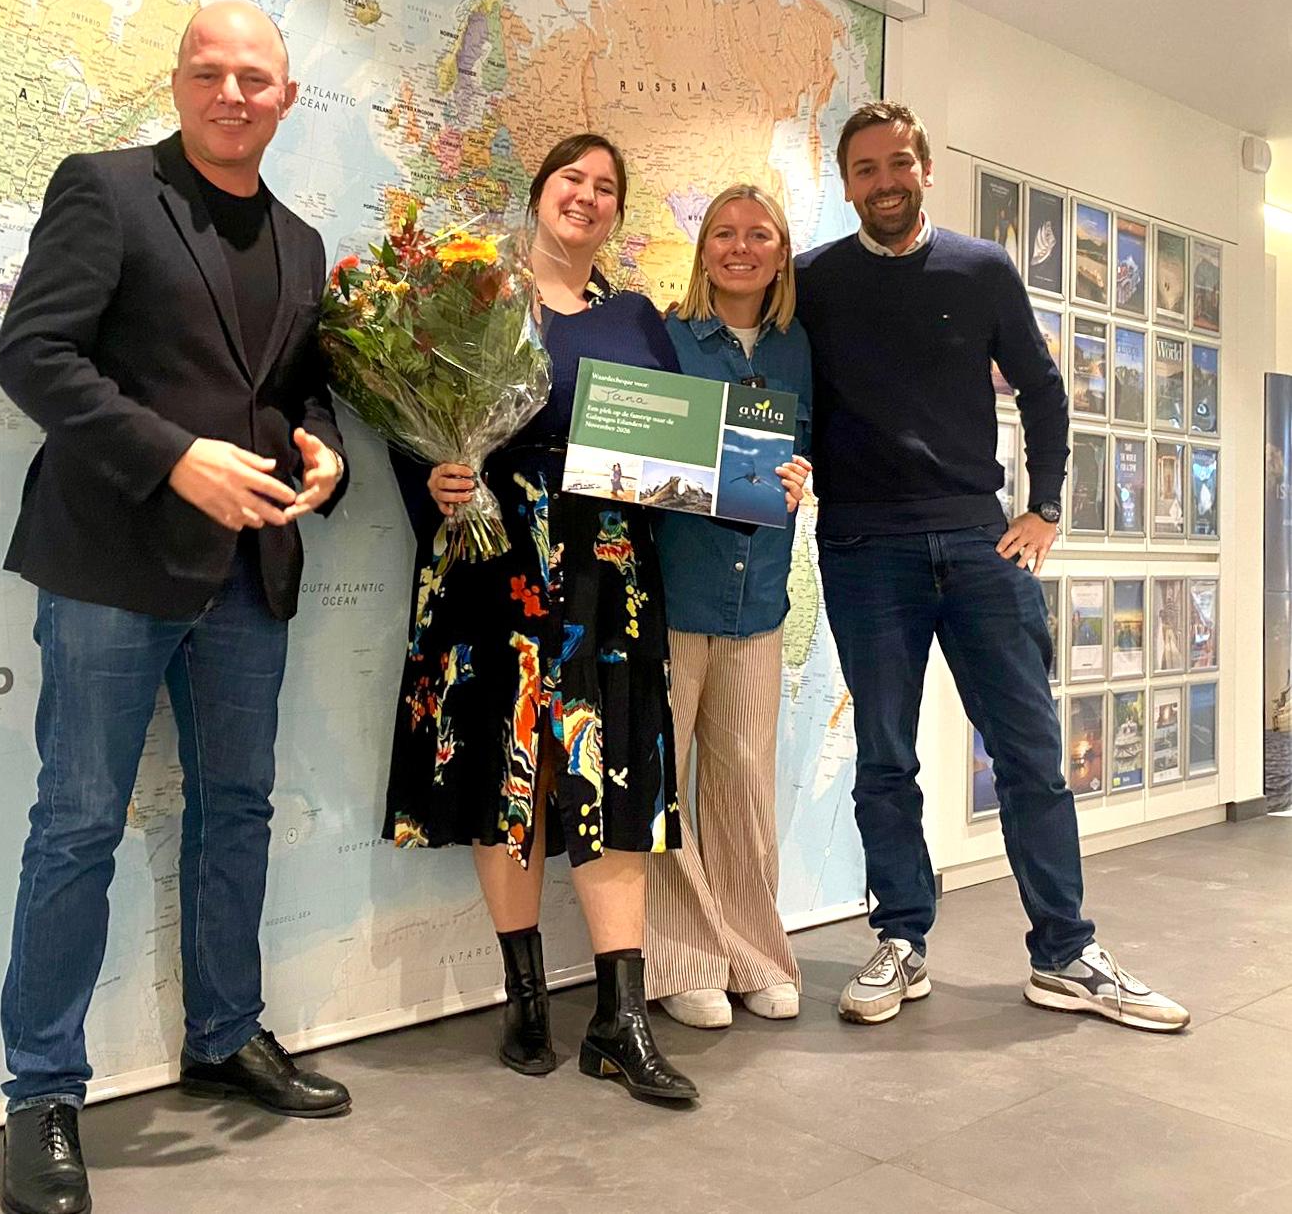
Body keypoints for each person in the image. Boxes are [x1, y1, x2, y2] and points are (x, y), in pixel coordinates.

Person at [0, 0, 351, 1214]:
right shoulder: (103, 189)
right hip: (112, 563)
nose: (231, 94)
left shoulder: (302, 241)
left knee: (236, 810)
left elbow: (299, 387)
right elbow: (34, 354)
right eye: (210, 73)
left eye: (254, 77)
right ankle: (43, 1092)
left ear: (285, 97)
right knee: (77, 824)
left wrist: (323, 449)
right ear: (179, 81)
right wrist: (173, 456)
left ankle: (225, 1031)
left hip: (249, 572)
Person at [795, 101, 1188, 1033]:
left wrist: (1045, 507)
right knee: (884, 760)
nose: (884, 182)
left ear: (925, 169)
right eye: (865, 169)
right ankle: (901, 941)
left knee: (1030, 757)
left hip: (979, 545)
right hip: (862, 550)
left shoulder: (982, 270)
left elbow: (1045, 391)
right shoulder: (812, 281)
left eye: (899, 163)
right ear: (845, 182)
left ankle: (1065, 953)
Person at [384, 133, 697, 1102]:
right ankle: (524, 997)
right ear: (538, 192)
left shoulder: (638, 319)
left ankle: (619, 1018)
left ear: (616, 213)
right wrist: (433, 476)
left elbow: (677, 451)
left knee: (611, 770)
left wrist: (752, 479)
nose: (588, 196)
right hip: (495, 562)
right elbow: (410, 419)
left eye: (606, 187)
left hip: (609, 570)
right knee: (507, 768)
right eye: (573, 179)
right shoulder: (476, 297)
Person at [644, 184, 812, 1029]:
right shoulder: (663, 338)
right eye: (723, 234)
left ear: (781, 255)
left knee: (744, 784)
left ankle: (755, 954)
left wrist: (801, 476)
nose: (740, 248)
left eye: (759, 235)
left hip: (758, 602)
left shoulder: (799, 350)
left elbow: (808, 452)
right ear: (702, 248)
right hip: (674, 593)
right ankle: (684, 962)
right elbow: (633, 458)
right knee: (661, 783)